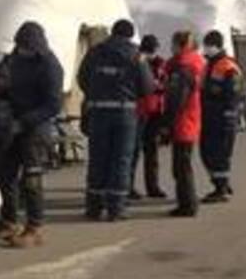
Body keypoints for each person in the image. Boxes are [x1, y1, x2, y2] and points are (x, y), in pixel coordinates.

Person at [0, 21, 63, 248]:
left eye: (25, 47)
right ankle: (9, 222)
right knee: (5, 175)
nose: (21, 51)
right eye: (19, 46)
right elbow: (5, 79)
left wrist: (25, 121)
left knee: (31, 179)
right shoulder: (15, 58)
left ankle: (34, 227)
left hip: (35, 128)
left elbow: (53, 105)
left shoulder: (50, 65)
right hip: (12, 125)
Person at [77, 19, 154, 221]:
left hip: (98, 112)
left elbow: (82, 77)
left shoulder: (95, 52)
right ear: (130, 35)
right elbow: (147, 87)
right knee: (121, 159)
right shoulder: (137, 55)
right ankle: (116, 208)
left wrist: (96, 93)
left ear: (112, 32)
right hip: (124, 114)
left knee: (98, 159)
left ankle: (93, 207)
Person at [161, 31, 205, 217]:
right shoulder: (193, 64)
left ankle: (187, 204)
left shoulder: (183, 68)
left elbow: (176, 99)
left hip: (183, 122)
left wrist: (166, 124)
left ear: (180, 45)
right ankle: (187, 202)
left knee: (181, 167)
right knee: (182, 165)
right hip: (190, 120)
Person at [199, 30, 242, 204]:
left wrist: (229, 118)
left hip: (222, 117)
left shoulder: (228, 67)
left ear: (217, 46)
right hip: (209, 115)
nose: (206, 48)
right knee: (207, 151)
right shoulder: (209, 64)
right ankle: (221, 184)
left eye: (208, 45)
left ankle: (221, 188)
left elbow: (234, 95)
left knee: (220, 154)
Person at [130, 35, 168, 200]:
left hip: (155, 112)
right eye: (148, 49)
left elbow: (165, 84)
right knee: (133, 152)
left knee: (152, 152)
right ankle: (128, 186)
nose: (151, 53)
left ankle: (153, 187)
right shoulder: (136, 61)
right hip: (138, 111)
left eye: (153, 49)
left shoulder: (161, 63)